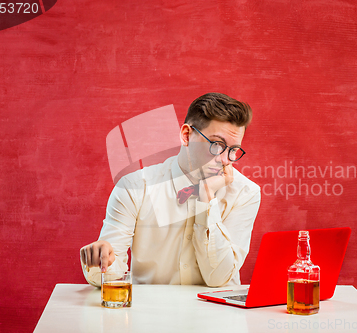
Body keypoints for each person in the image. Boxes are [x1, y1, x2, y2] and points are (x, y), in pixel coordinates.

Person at [80, 92, 261, 287]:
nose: (225, 160)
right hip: (149, 312)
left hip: (218, 313)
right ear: (186, 135)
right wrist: (101, 260)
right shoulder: (134, 186)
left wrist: (207, 200)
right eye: (217, 145)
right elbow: (109, 276)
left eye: (233, 150)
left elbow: (218, 278)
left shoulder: (245, 193)